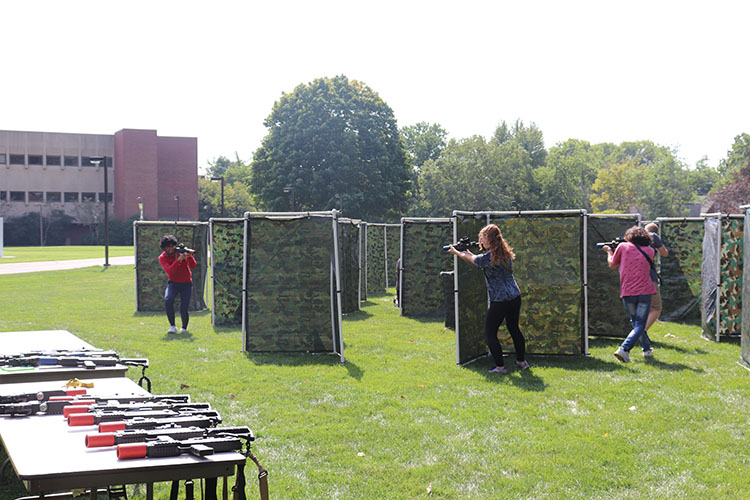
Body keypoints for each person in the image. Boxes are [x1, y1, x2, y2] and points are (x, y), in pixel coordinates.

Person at [448, 224, 528, 373]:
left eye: (483, 238)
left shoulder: (489, 257)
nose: (481, 241)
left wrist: (457, 252)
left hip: (500, 300)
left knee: (490, 333)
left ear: (491, 240)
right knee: (514, 328)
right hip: (514, 297)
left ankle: (500, 367)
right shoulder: (505, 253)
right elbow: (477, 258)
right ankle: (521, 361)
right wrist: (466, 251)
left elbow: (474, 260)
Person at [603, 226, 656, 363]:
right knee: (639, 324)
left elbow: (612, 265)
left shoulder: (622, 247)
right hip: (645, 292)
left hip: (628, 292)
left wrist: (609, 251)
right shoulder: (650, 251)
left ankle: (637, 349)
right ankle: (633, 349)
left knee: (636, 323)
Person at [158, 235, 197, 334]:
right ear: (164, 248)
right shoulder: (162, 257)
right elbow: (170, 271)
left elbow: (193, 266)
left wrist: (189, 257)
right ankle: (172, 326)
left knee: (184, 308)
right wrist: (178, 260)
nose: (170, 249)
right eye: (168, 247)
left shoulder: (180, 252)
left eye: (172, 246)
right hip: (173, 283)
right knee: (168, 300)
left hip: (186, 284)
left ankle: (184, 328)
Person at [643, 223, 669, 352]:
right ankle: (641, 333)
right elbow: (665, 253)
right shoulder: (653, 236)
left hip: (632, 276)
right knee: (656, 308)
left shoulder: (635, 239)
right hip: (649, 276)